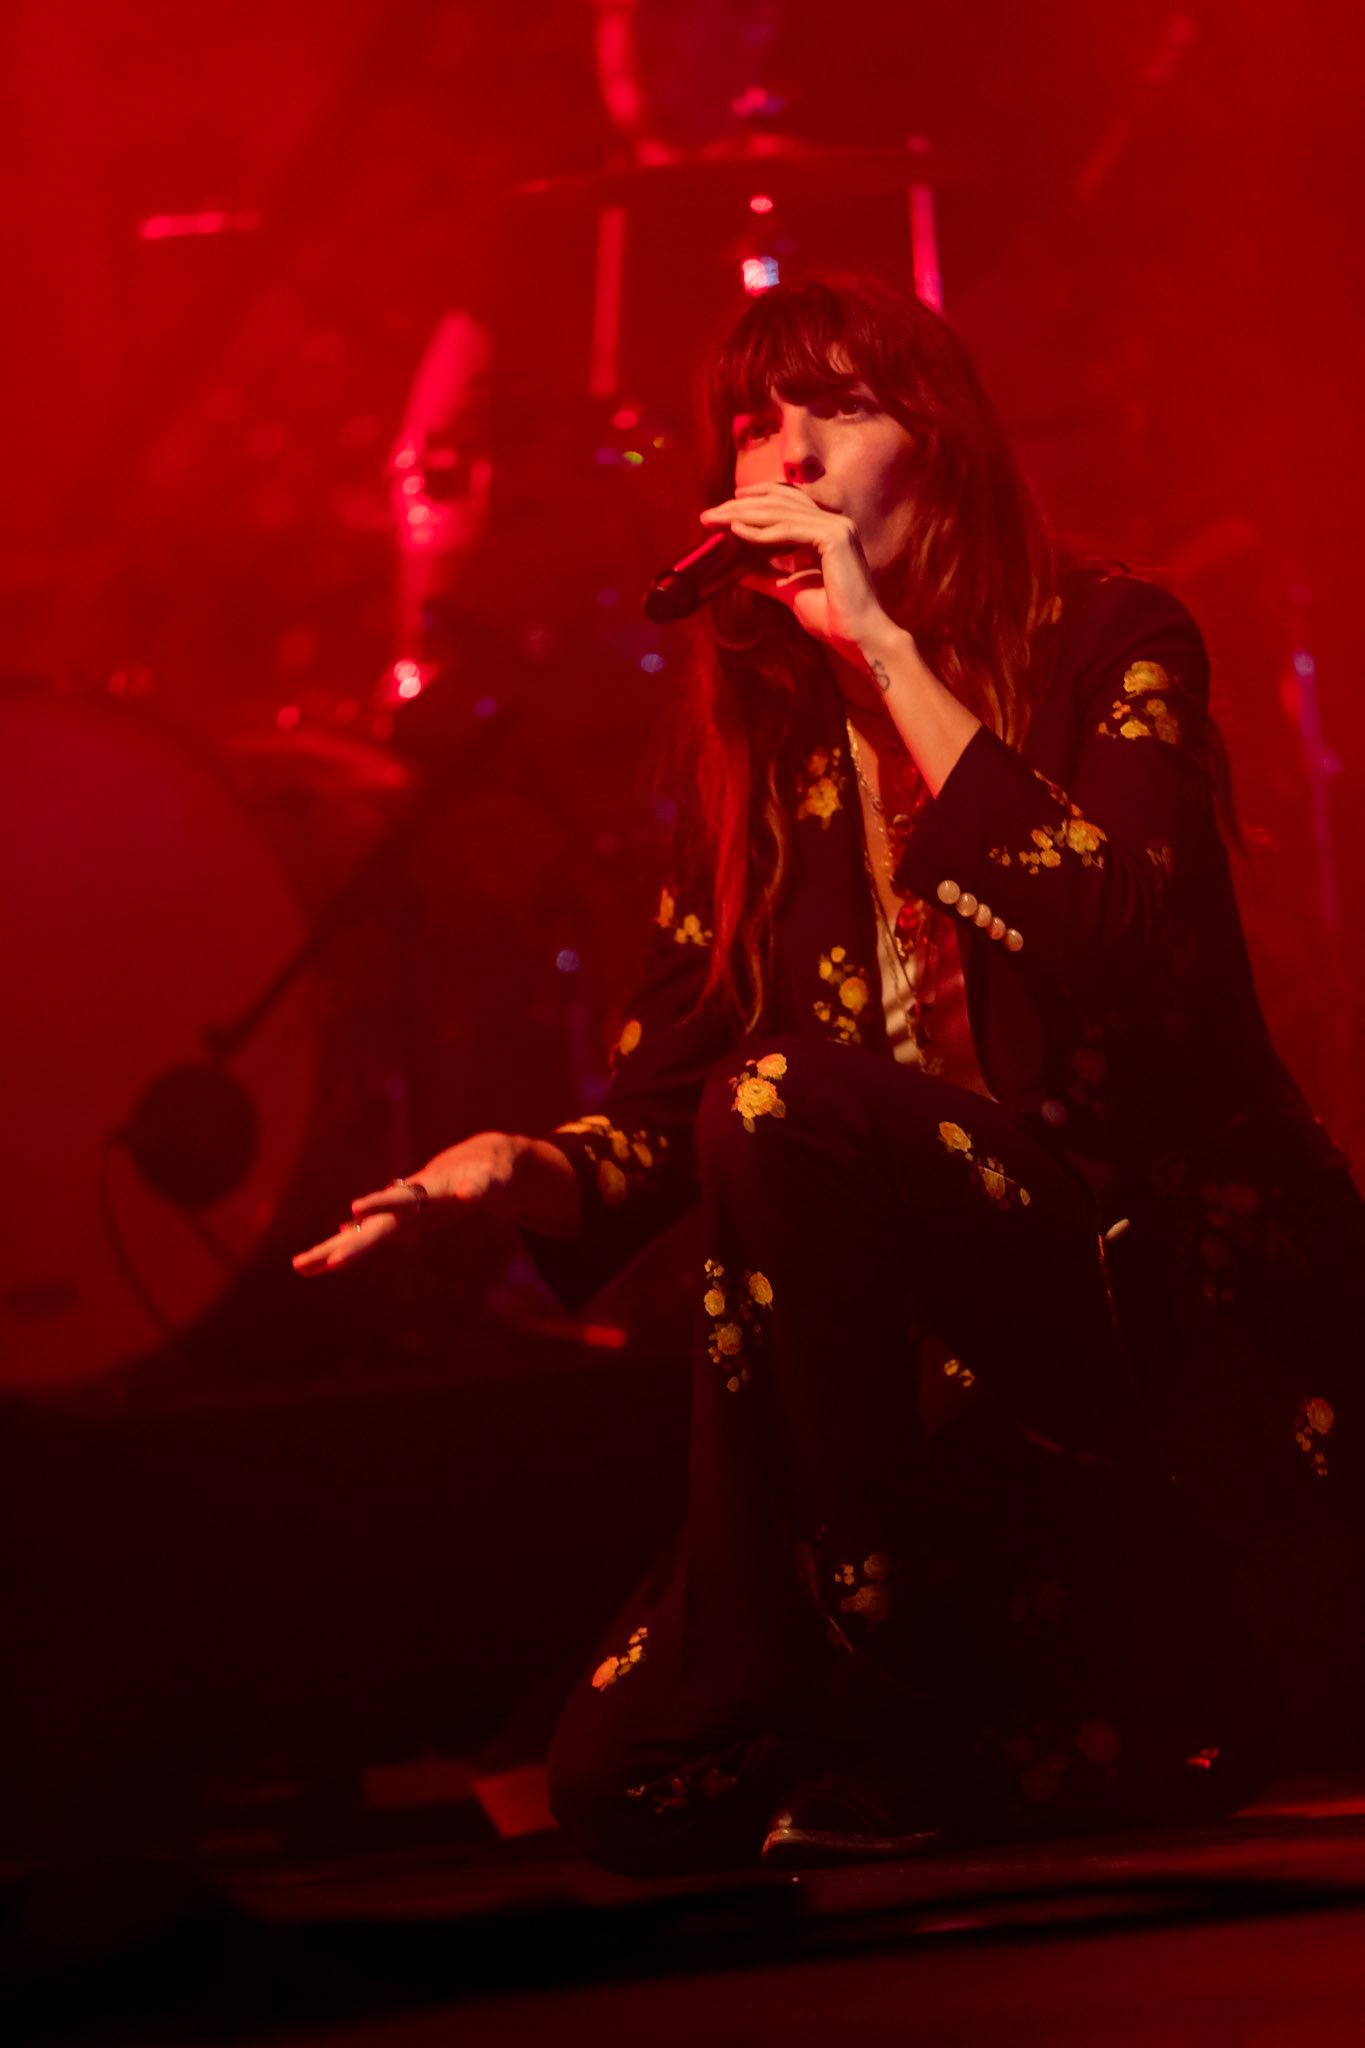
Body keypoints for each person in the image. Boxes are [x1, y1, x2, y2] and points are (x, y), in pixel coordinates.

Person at [295, 277, 1364, 1874]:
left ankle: (872, 1639)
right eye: (750, 419)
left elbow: (1118, 930)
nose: (782, 447)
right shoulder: (763, 749)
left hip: (1144, 1297)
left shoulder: (1113, 639)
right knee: (623, 1786)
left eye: (834, 407)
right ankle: (954, 1685)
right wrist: (521, 1166)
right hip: (929, 1375)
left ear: (941, 451)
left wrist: (881, 641)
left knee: (786, 1101)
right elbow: (676, 1104)